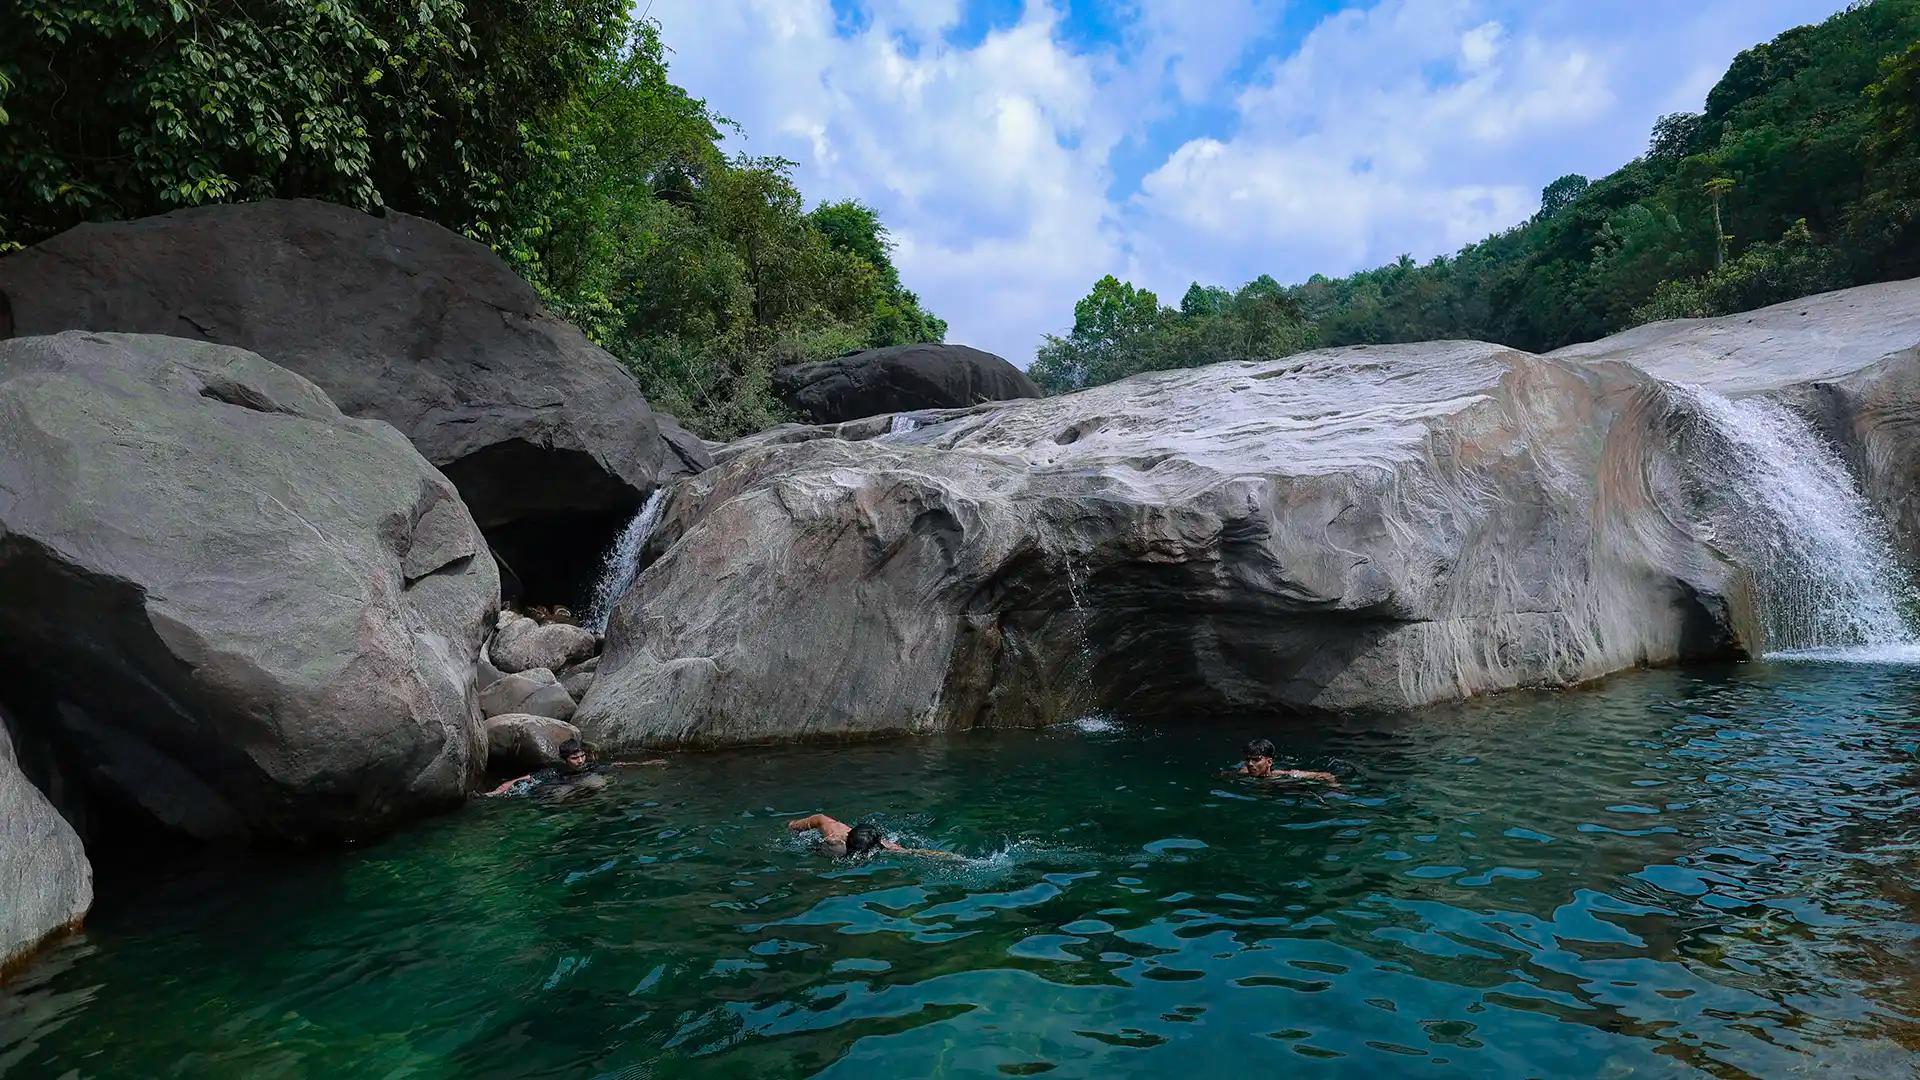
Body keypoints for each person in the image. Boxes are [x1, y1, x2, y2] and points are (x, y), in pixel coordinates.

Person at [484, 739, 663, 798]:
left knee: (599, 782)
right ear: (565, 759)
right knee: (559, 793)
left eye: (581, 756)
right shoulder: (555, 771)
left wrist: (648, 764)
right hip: (561, 787)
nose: (580, 760)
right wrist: (495, 792)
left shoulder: (590, 766)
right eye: (574, 758)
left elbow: (619, 765)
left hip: (580, 786)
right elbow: (523, 779)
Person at [786, 813, 959, 859]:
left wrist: (949, 856)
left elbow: (914, 852)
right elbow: (820, 818)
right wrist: (796, 826)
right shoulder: (834, 834)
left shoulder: (878, 844)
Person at [1223, 737, 1338, 785]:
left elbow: (1326, 775)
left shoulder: (1287, 775)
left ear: (1269, 762)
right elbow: (1222, 775)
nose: (1250, 764)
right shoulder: (1242, 773)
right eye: (1247, 760)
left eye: (1256, 760)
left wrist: (1335, 788)